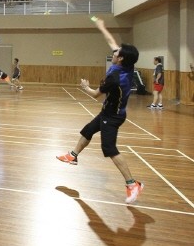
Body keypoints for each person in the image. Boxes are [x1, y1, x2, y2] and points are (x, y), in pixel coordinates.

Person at [56, 18, 143, 204]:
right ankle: (72, 156)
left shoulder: (115, 78)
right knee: (88, 130)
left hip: (112, 116)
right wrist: (101, 26)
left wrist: (85, 87)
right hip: (110, 112)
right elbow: (111, 41)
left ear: (120, 58)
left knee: (109, 148)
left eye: (117, 52)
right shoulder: (127, 64)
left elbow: (96, 94)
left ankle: (132, 184)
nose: (114, 51)